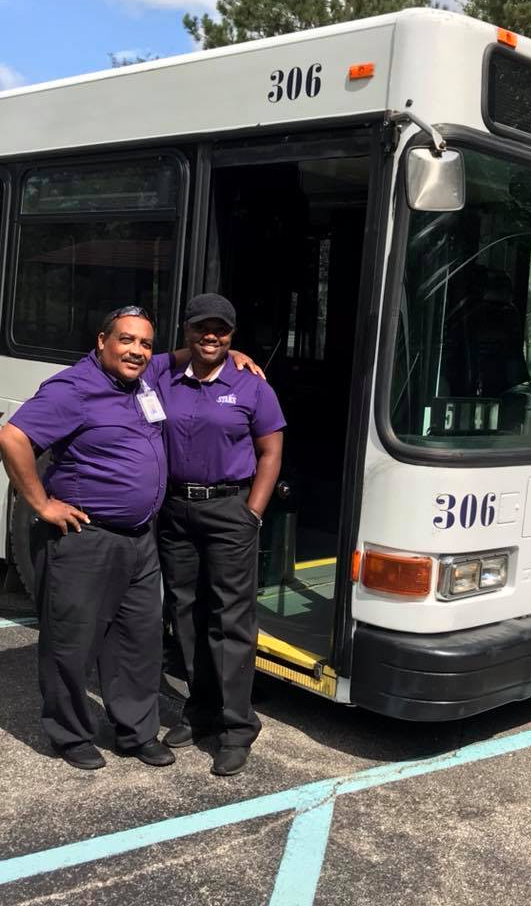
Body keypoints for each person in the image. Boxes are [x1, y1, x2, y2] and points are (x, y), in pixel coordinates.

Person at [0, 306, 259, 771]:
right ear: (102, 341)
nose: (137, 350)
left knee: (137, 642)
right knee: (72, 641)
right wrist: (41, 504)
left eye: (144, 342)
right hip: (86, 536)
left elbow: (187, 352)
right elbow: (13, 437)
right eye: (126, 340)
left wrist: (224, 348)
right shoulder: (74, 389)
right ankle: (70, 733)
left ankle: (136, 732)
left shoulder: (141, 376)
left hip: (141, 539)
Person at [157, 293, 285, 776]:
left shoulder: (252, 386)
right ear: (186, 331)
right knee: (186, 612)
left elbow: (270, 453)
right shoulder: (163, 377)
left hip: (230, 509)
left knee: (230, 618)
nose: (211, 337)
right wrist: (185, 356)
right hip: (175, 510)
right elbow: (124, 355)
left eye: (221, 331)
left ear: (232, 334)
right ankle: (201, 710)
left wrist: (252, 512)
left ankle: (236, 727)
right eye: (201, 329)